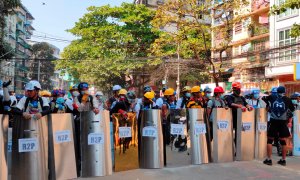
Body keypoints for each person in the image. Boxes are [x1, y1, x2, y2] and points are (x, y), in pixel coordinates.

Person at [263, 86, 295, 166]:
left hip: (273, 121)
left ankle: (269, 159)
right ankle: (283, 160)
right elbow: (292, 109)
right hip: (283, 122)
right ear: (284, 91)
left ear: (277, 91)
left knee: (270, 140)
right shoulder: (288, 99)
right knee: (283, 141)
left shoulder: (272, 96)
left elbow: (264, 99)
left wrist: (269, 106)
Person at [225, 82, 253, 146]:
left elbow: (246, 104)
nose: (238, 91)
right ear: (234, 89)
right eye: (237, 89)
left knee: (241, 134)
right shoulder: (230, 97)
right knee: (232, 134)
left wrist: (249, 106)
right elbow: (230, 103)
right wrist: (239, 106)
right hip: (233, 117)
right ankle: (232, 148)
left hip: (242, 118)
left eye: (239, 89)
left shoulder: (242, 98)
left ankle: (240, 148)